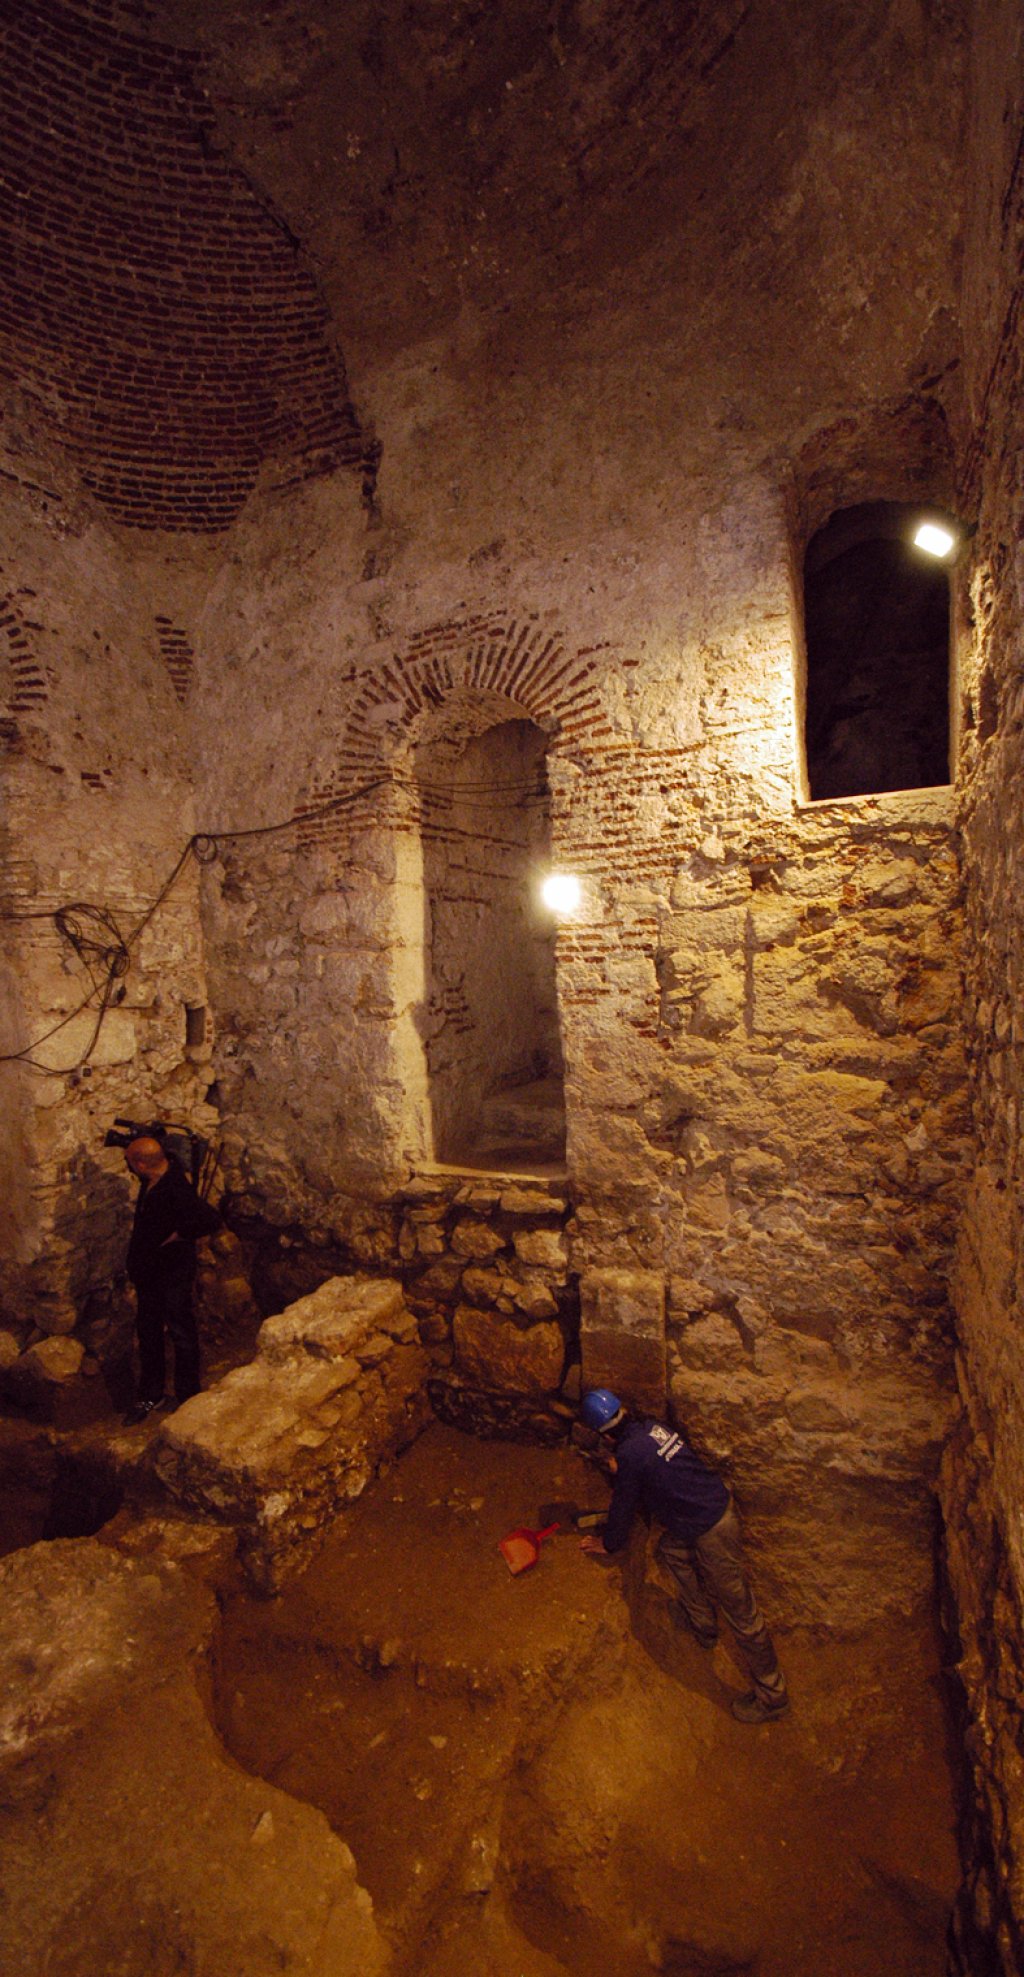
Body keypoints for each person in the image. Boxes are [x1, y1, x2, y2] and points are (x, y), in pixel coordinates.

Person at [578, 1388, 789, 1724]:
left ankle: (773, 1696)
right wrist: (625, 1466)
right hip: (711, 1507)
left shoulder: (631, 1453)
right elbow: (655, 1463)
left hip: (713, 1528)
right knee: (670, 1551)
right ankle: (703, 1625)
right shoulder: (651, 1428)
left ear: (602, 1434)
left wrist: (609, 1543)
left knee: (742, 1613)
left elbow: (623, 1506)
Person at [122, 1134, 220, 1426]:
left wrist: (180, 1234)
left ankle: (188, 1395)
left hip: (172, 1272)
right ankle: (151, 1394)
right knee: (149, 1331)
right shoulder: (153, 1178)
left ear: (141, 1164)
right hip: (149, 1273)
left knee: (181, 1331)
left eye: (130, 1161)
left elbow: (210, 1219)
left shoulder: (176, 1188)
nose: (128, 1166)